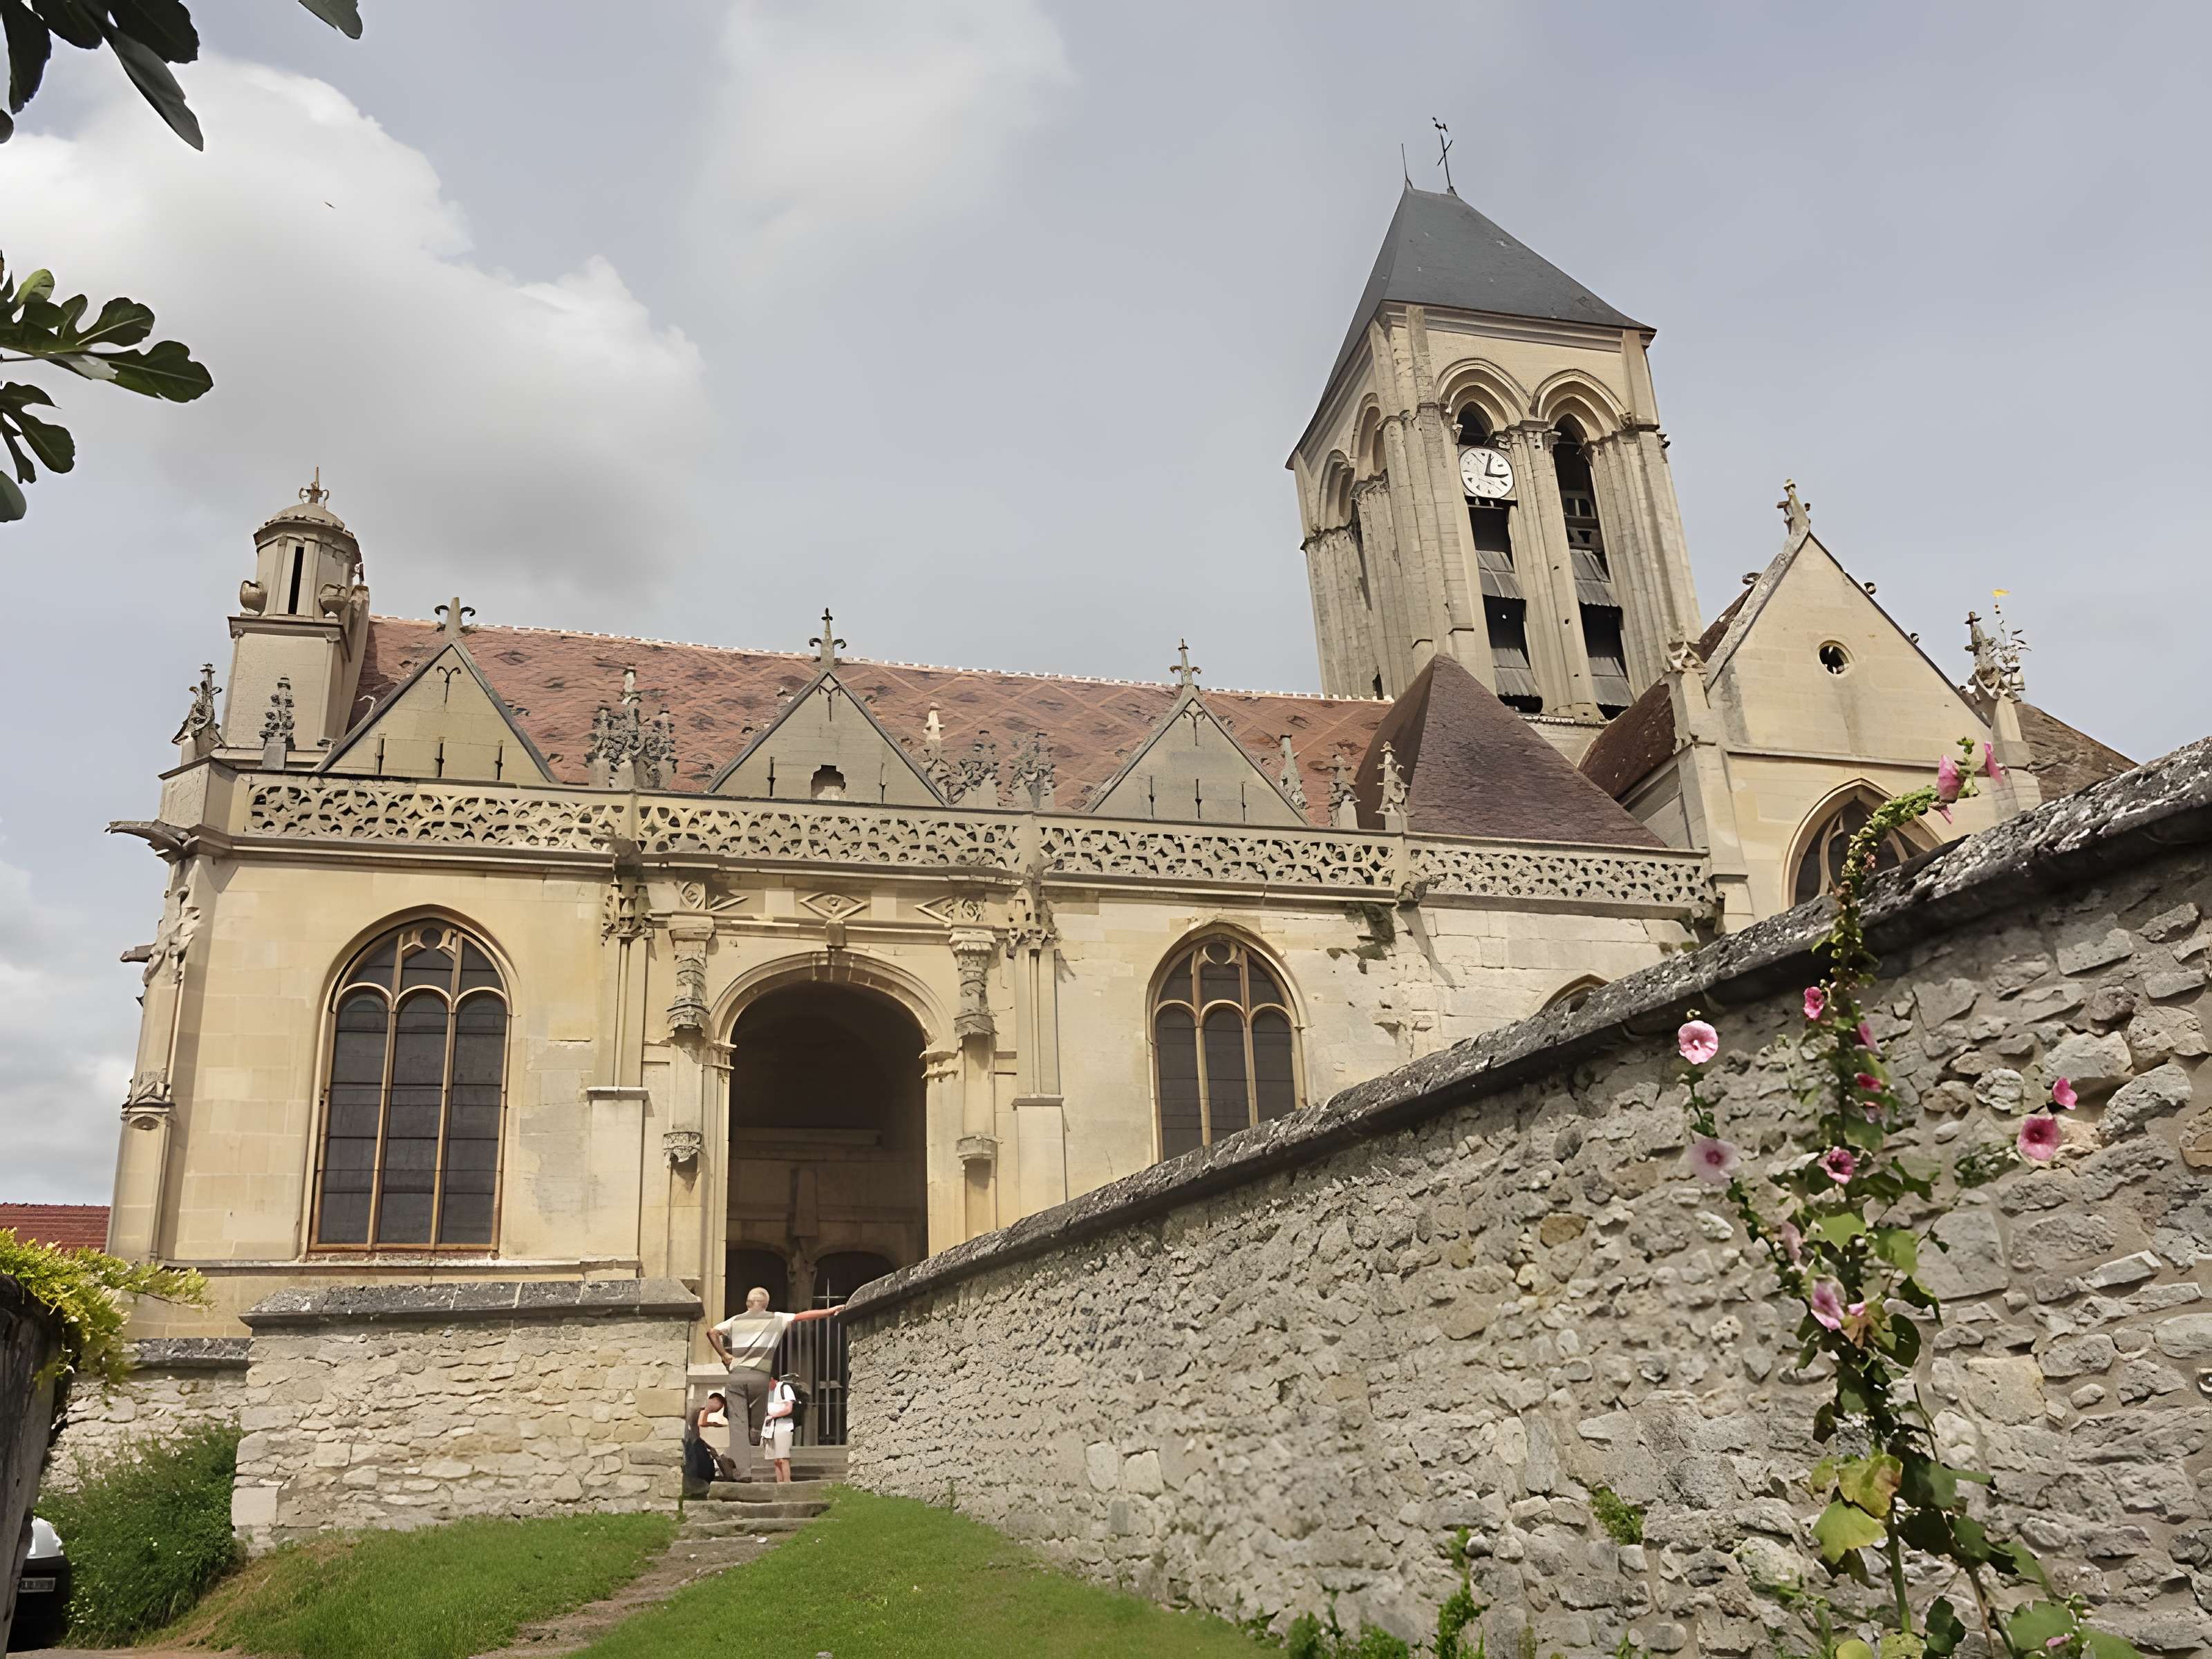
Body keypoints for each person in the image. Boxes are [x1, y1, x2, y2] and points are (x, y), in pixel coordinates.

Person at [704, 1286, 840, 1468]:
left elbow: (712, 1332)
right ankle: (752, 1440)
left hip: (737, 1375)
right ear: (767, 1304)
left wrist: (724, 1354)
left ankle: (741, 1470)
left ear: (747, 1304)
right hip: (760, 1376)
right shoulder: (777, 1318)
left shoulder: (736, 1320)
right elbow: (803, 1316)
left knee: (738, 1424)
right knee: (755, 1424)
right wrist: (829, 1311)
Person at [762, 1369, 801, 1483]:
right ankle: (780, 1482)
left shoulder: (784, 1388)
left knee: (783, 1457)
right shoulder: (766, 1392)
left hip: (783, 1424)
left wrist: (774, 1415)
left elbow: (788, 1408)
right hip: (770, 1427)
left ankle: (787, 1482)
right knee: (776, 1459)